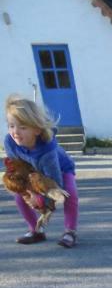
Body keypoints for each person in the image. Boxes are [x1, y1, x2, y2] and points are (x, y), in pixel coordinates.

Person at [4, 94, 79, 247]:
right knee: (19, 198)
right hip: (33, 173)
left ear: (37, 130)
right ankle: (36, 230)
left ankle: (70, 231)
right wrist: (28, 193)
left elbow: (54, 184)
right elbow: (19, 169)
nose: (15, 131)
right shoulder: (10, 142)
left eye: (22, 127)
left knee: (70, 194)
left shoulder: (47, 150)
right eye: (11, 126)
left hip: (60, 170)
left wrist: (41, 200)